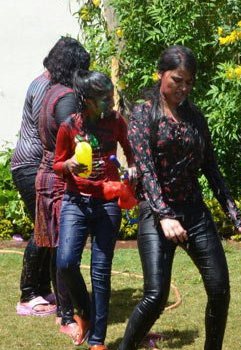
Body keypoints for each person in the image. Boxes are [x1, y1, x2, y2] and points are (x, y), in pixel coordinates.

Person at [119, 45, 241, 350]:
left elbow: (210, 164)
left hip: (193, 211)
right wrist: (164, 215)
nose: (183, 88)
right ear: (161, 74)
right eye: (177, 79)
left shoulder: (195, 117)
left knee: (219, 289)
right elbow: (146, 169)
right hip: (155, 211)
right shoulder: (142, 113)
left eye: (189, 82)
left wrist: (229, 204)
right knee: (156, 294)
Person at [53, 70, 136, 349]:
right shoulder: (69, 126)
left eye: (111, 96)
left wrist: (132, 171)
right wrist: (68, 166)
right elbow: (57, 163)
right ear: (86, 99)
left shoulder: (115, 122)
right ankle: (85, 312)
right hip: (75, 200)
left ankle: (97, 340)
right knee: (65, 262)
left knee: (100, 271)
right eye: (103, 98)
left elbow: (131, 151)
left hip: (107, 201)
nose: (110, 102)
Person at [36, 36, 89, 332]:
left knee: (60, 248)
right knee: (66, 250)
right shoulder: (67, 97)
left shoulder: (49, 91)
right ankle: (66, 315)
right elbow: (76, 139)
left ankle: (64, 309)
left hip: (48, 171)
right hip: (61, 176)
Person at [12, 46, 54, 317]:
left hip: (39, 166)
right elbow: (46, 129)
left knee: (51, 228)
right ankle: (28, 294)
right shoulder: (43, 87)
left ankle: (42, 287)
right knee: (43, 227)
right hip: (30, 166)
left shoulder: (49, 85)